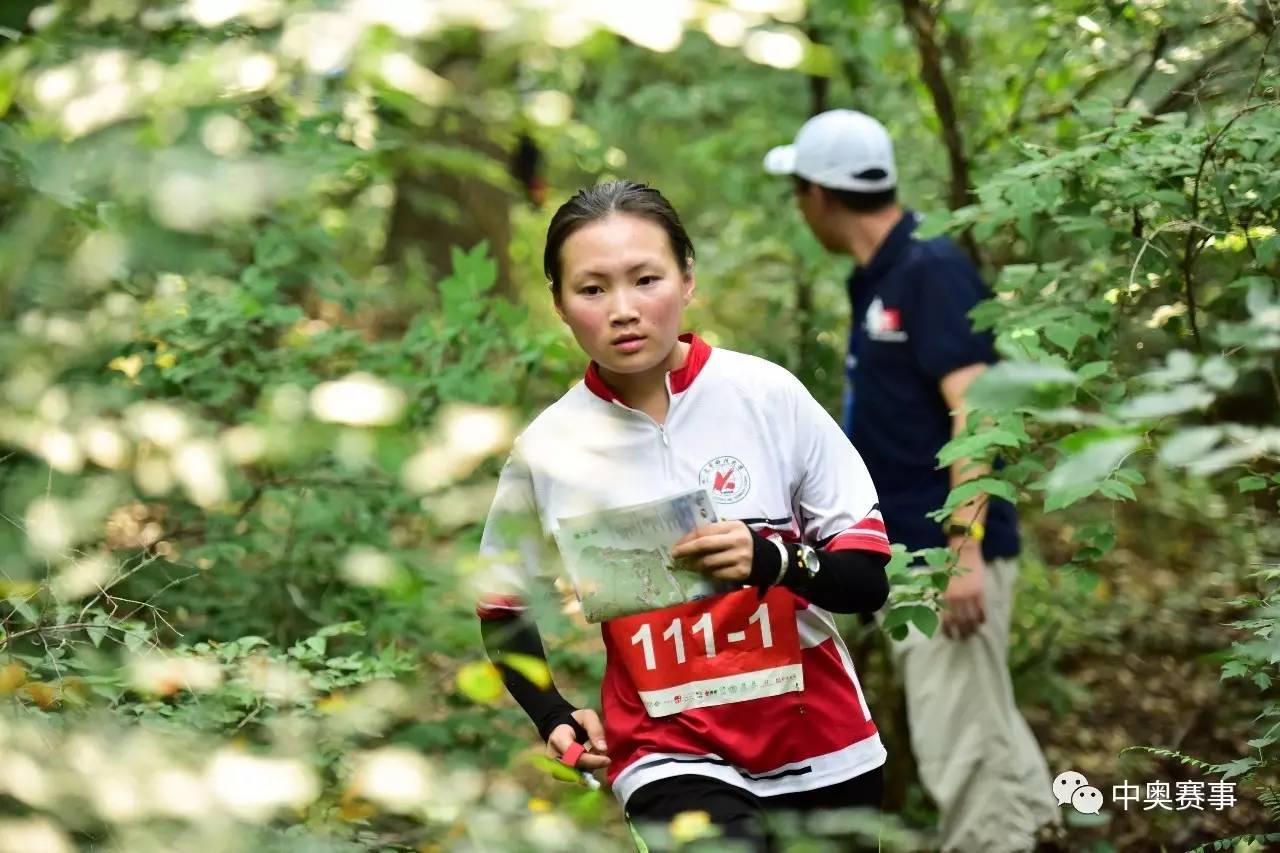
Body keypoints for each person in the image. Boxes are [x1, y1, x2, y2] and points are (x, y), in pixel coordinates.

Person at [475, 181, 894, 851]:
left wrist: (774, 558)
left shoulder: (767, 396)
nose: (624, 310)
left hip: (823, 743)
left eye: (646, 279)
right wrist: (552, 712)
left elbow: (868, 577)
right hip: (667, 753)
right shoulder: (549, 449)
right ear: (558, 303)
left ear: (688, 279)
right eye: (592, 289)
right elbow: (500, 606)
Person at [763, 109, 1060, 852]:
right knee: (982, 722)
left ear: (819, 194)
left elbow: (980, 410)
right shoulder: (877, 277)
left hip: (947, 555)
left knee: (958, 747)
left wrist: (961, 550)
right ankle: (1043, 832)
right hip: (912, 551)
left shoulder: (930, 267)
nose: (799, 210)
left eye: (797, 194)